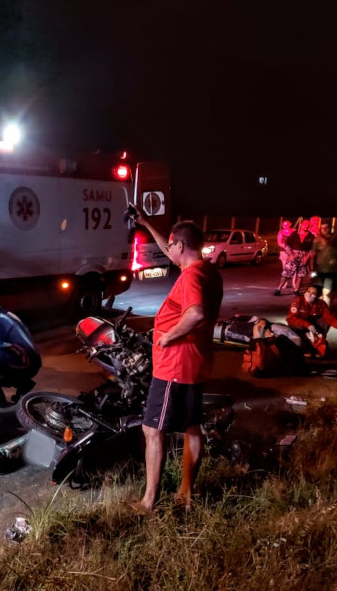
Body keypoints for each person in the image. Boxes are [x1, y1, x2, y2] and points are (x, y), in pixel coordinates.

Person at [131, 212, 223, 512]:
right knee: (191, 428)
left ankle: (148, 502)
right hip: (195, 362)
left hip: (175, 366)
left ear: (181, 246)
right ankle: (186, 494)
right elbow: (172, 252)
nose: (168, 252)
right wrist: (146, 223)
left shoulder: (192, 276)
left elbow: (195, 313)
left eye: (171, 247)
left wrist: (169, 336)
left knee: (152, 430)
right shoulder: (208, 271)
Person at [286, 284, 337, 356]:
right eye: (308, 291)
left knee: (325, 320)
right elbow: (291, 319)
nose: (309, 294)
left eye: (313, 293)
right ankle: (305, 346)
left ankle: (319, 341)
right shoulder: (298, 301)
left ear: (318, 296)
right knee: (298, 332)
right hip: (299, 327)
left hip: (312, 327)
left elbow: (330, 319)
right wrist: (307, 325)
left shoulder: (321, 304)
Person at [275, 219, 314, 295]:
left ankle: (296, 289)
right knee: (286, 273)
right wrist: (291, 254)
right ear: (301, 225)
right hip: (294, 254)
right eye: (305, 224)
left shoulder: (311, 236)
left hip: (303, 256)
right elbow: (287, 244)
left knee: (300, 274)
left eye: (308, 225)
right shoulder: (294, 234)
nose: (306, 226)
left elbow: (312, 249)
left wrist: (307, 257)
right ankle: (279, 288)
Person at [310, 223, 337, 305]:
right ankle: (320, 310)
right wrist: (312, 270)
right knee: (319, 292)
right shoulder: (317, 240)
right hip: (320, 270)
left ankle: (326, 311)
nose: (325, 230)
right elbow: (313, 255)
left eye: (327, 227)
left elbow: (335, 250)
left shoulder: (336, 237)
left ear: (330, 228)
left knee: (328, 292)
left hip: (333, 270)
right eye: (322, 228)